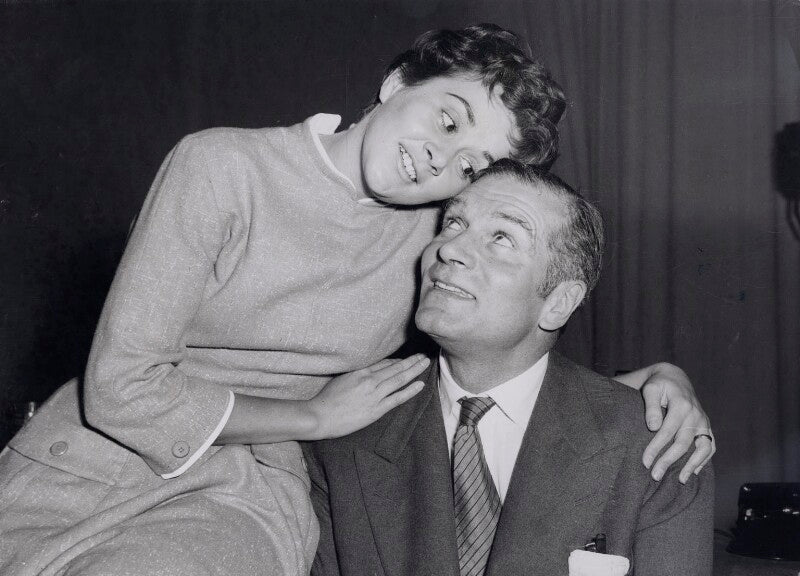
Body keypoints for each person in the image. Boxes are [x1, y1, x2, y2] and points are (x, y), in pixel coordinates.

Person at [0, 25, 711, 576]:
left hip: (250, 494)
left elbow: (496, 354)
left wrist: (651, 380)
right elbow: (122, 388)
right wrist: (312, 413)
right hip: (96, 461)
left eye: (469, 167)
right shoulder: (224, 166)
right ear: (398, 80)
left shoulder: (436, 234)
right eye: (448, 118)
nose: (442, 160)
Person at [304, 160, 714, 576]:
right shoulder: (343, 434)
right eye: (453, 223)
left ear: (558, 302)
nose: (449, 249)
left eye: (502, 237)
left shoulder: (658, 447)